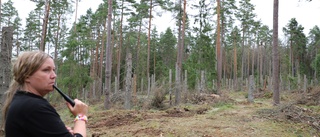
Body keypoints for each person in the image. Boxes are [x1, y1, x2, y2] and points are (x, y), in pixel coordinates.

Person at [1, 51, 88, 137]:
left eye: (53, 70)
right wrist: (81, 116)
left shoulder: (22, 101)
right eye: (46, 70)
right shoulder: (34, 106)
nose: (54, 75)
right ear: (26, 76)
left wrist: (58, 131)